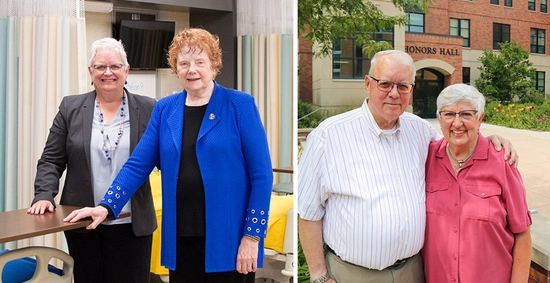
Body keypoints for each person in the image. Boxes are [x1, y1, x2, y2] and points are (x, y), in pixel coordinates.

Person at [64, 28, 274, 283]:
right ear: (176, 69)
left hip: (229, 238)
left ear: (214, 66)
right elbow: (138, 165)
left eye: (199, 62)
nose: (191, 70)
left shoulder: (239, 105)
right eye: (183, 63)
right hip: (181, 236)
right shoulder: (166, 109)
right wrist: (106, 206)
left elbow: (262, 177)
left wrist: (252, 236)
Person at [297, 49, 517, 283]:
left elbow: (457, 141)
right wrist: (319, 276)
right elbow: (308, 212)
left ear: (411, 90)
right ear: (368, 84)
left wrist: (489, 140)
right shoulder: (329, 136)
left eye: (403, 86)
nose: (394, 93)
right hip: (352, 274)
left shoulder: (420, 131)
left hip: (412, 273)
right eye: (385, 84)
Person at [27, 37, 157, 283]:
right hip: (83, 221)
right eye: (100, 67)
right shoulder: (71, 107)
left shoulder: (150, 109)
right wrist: (44, 195)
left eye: (115, 66)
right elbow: (51, 160)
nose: (108, 72)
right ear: (90, 71)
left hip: (132, 222)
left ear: (126, 70)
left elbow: (167, 159)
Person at [423, 83, 532, 283]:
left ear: (480, 118)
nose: (457, 123)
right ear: (439, 119)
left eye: (466, 114)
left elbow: (522, 235)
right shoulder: (426, 158)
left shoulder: (502, 162)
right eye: (449, 115)